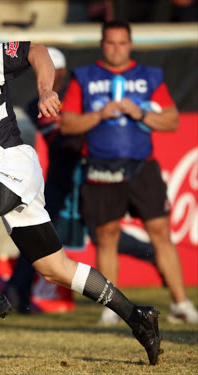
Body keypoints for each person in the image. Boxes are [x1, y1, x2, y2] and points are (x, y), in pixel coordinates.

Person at [0, 20, 163, 365]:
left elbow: (37, 51)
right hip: (4, 176)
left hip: (12, 161)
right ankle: (138, 317)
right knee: (54, 268)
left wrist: (47, 89)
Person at [60, 20, 198, 325]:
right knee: (107, 237)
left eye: (122, 43)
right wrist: (98, 115)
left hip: (141, 168)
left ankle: (181, 304)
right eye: (110, 43)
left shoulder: (149, 77)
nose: (116, 49)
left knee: (161, 233)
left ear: (130, 44)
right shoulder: (84, 77)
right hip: (100, 168)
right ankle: (113, 309)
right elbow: (67, 124)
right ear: (102, 44)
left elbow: (172, 120)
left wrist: (143, 114)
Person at [6, 47, 158, 322]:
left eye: (51, 71)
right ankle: (18, 293)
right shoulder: (36, 103)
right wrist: (84, 123)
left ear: (61, 72)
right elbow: (65, 137)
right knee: (39, 234)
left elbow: (86, 130)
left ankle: (152, 254)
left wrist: (84, 122)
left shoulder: (80, 95)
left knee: (103, 233)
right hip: (61, 179)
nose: (46, 76)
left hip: (88, 176)